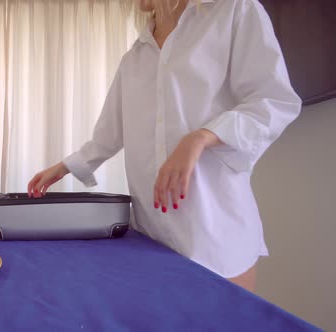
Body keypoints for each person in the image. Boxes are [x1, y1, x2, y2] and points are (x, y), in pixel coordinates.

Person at [27, 0, 301, 292]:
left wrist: (201, 137)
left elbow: (273, 101)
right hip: (151, 238)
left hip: (216, 238)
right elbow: (106, 137)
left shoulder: (235, 11)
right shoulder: (134, 58)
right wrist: (63, 167)